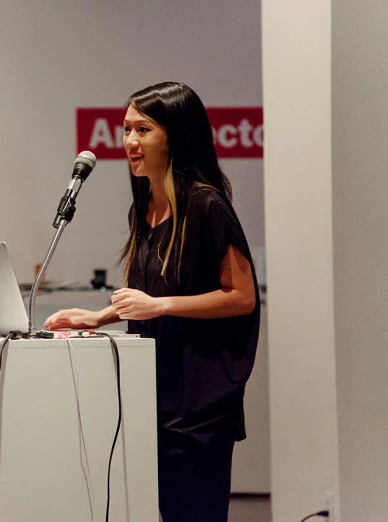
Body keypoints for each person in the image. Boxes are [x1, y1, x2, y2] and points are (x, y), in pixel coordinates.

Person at [45, 81, 260, 522]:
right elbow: (151, 293)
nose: (129, 142)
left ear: (175, 135)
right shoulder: (144, 208)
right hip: (156, 395)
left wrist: (160, 307)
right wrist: (99, 316)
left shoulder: (207, 205)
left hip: (199, 403)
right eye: (126, 130)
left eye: (142, 130)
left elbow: (241, 297)